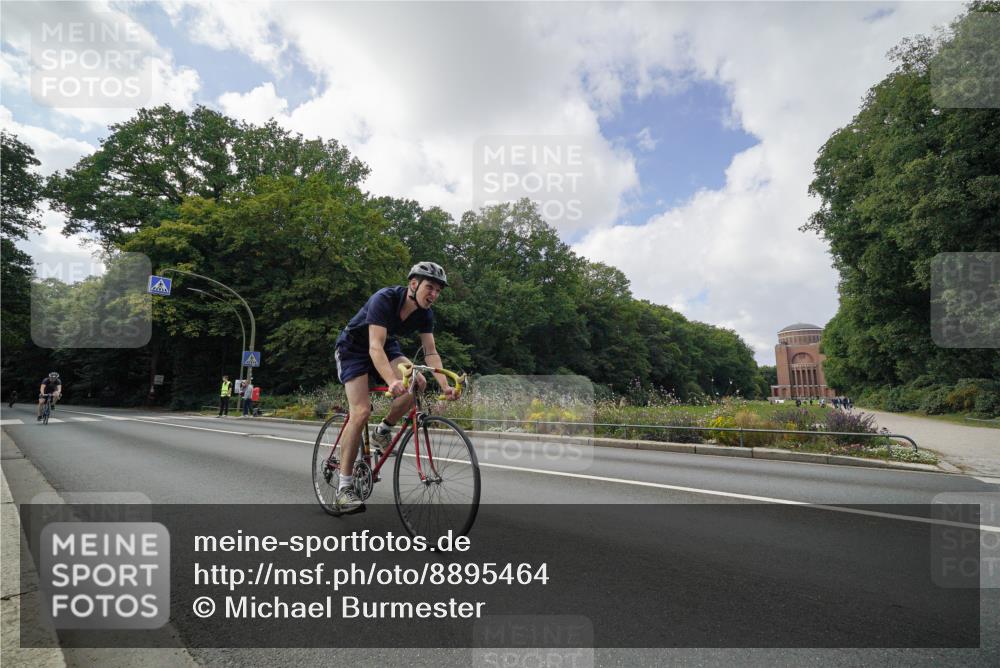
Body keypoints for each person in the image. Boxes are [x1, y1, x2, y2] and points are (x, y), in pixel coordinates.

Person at [332, 262, 458, 514]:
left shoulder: (425, 313)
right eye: (429, 287)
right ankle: (344, 489)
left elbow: (430, 351)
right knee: (361, 411)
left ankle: (383, 430)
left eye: (438, 291)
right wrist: (391, 380)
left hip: (387, 347)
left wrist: (444, 385)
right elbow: (373, 347)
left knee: (418, 381)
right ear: (414, 284)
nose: (433, 294)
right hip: (354, 348)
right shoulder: (385, 298)